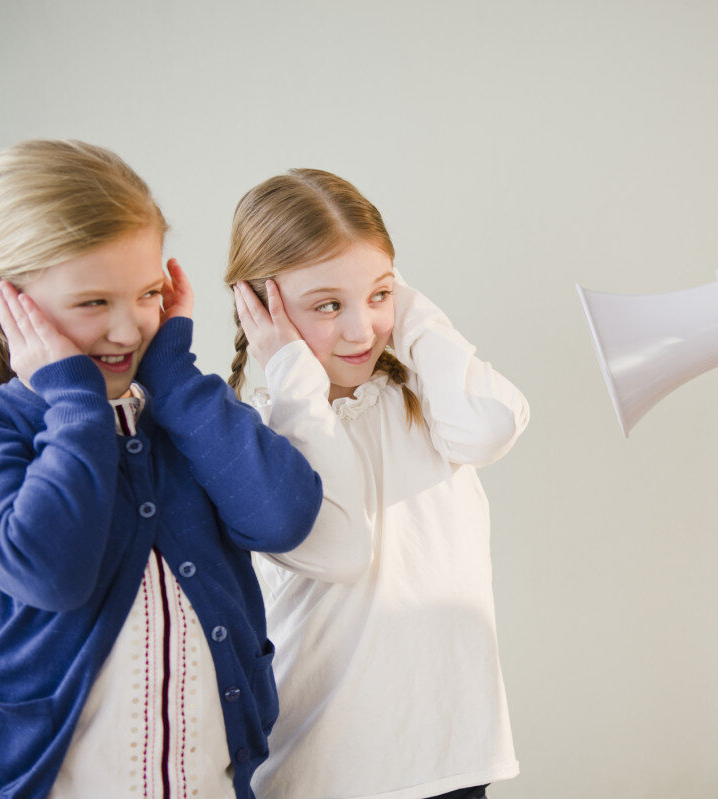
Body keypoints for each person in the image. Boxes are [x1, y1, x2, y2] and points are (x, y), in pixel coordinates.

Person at [0, 140, 322, 798]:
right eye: (93, 303)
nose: (128, 329)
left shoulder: (182, 414)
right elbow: (49, 567)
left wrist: (174, 373)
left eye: (148, 293)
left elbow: (283, 514)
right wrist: (73, 400)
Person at [224, 169, 529, 799]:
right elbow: (338, 546)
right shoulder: (254, 433)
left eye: (380, 296)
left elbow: (492, 424)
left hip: (448, 756)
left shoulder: (426, 399)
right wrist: (289, 371)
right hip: (320, 769)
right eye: (328, 305)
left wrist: (404, 305)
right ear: (258, 305)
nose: (362, 331)